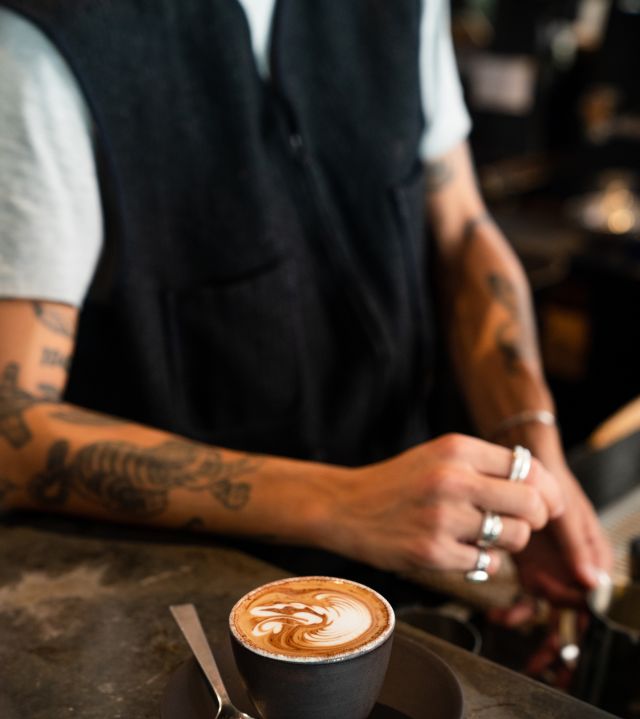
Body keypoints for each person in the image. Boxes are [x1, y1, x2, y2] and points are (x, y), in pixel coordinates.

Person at [0, 0, 611, 608]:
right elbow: (11, 431)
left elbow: (460, 229)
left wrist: (530, 450)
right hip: (182, 593)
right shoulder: (43, 47)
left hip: (404, 551)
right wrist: (346, 503)